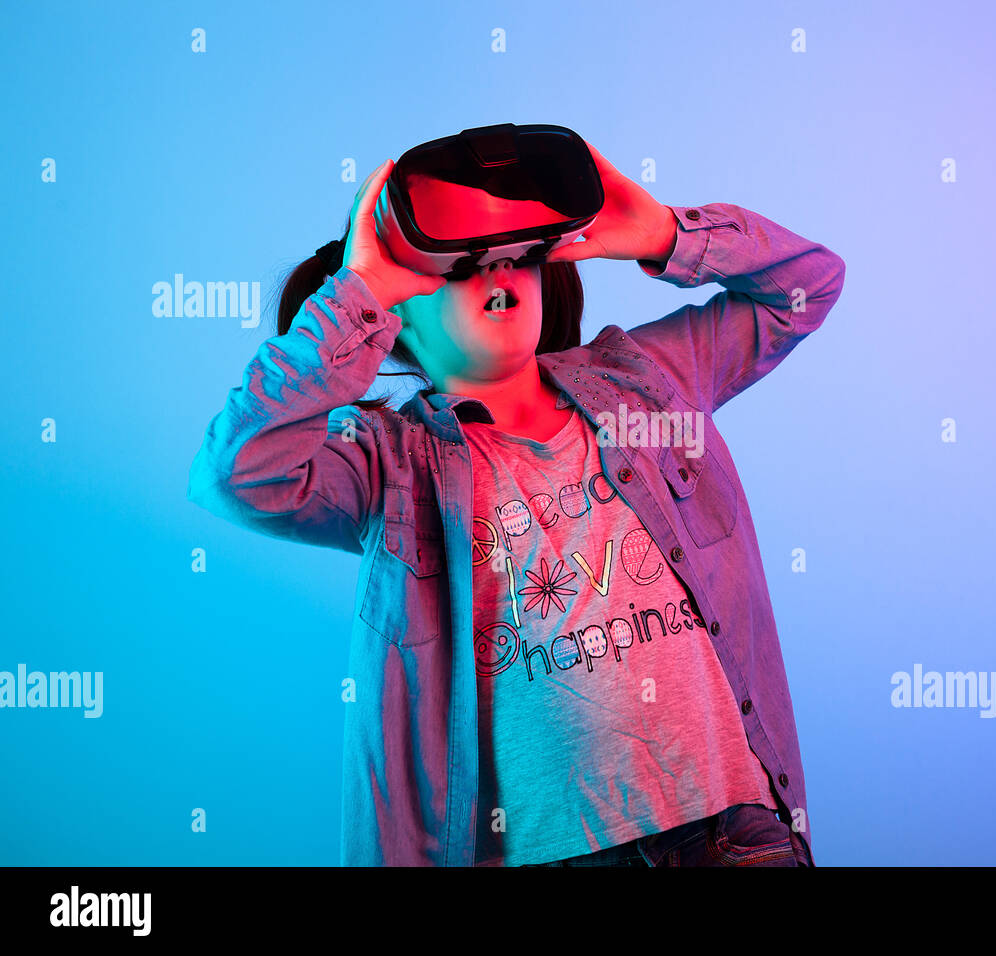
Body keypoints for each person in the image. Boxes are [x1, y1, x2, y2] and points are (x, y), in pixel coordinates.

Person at [186, 144, 846, 867]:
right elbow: (237, 473)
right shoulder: (387, 464)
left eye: (515, 254)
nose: (497, 270)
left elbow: (808, 287)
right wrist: (357, 293)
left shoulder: (647, 379)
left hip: (729, 837)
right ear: (399, 313)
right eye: (461, 264)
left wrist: (665, 232)